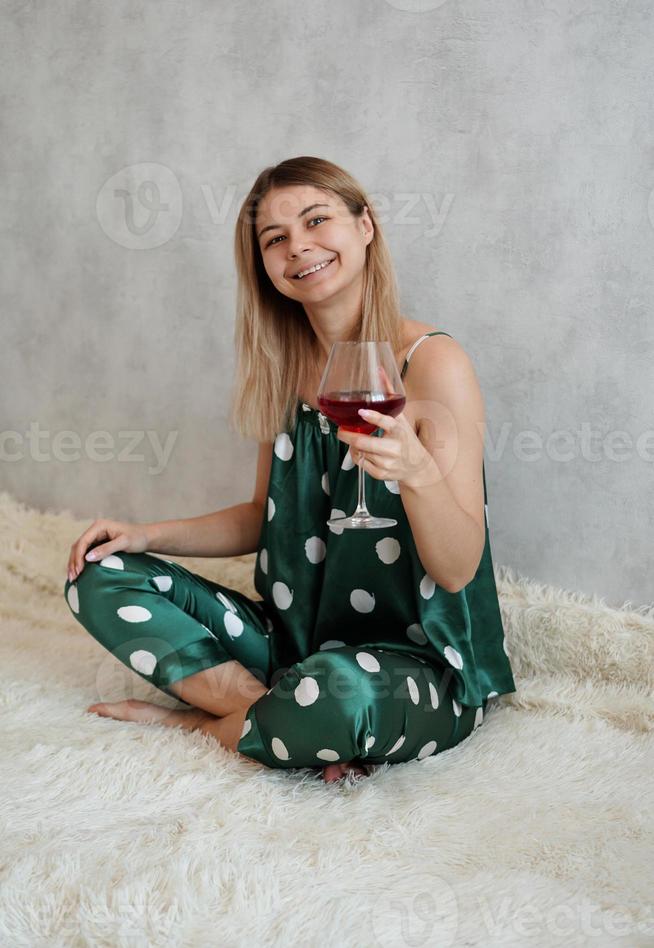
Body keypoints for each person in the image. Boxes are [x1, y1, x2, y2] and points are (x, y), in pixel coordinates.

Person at [63, 155, 516, 784]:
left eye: (316, 220)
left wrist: (417, 473)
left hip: (418, 667)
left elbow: (458, 566)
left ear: (365, 226)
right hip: (291, 645)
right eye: (275, 239)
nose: (298, 247)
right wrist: (146, 536)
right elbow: (262, 517)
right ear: (265, 268)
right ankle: (271, 714)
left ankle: (203, 726)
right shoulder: (286, 373)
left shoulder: (433, 364)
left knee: (338, 695)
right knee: (97, 572)